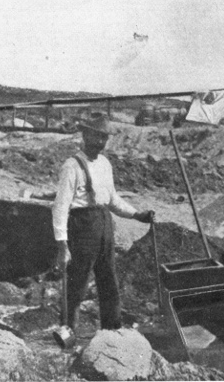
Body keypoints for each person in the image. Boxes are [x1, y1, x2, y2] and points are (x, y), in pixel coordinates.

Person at [52, 114, 154, 331]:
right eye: (96, 136)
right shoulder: (72, 166)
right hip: (82, 226)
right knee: (77, 284)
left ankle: (112, 331)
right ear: (85, 134)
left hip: (104, 224)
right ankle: (68, 333)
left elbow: (113, 199)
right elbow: (60, 207)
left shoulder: (105, 164)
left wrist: (137, 214)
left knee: (109, 281)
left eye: (104, 138)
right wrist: (63, 246)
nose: (100, 142)